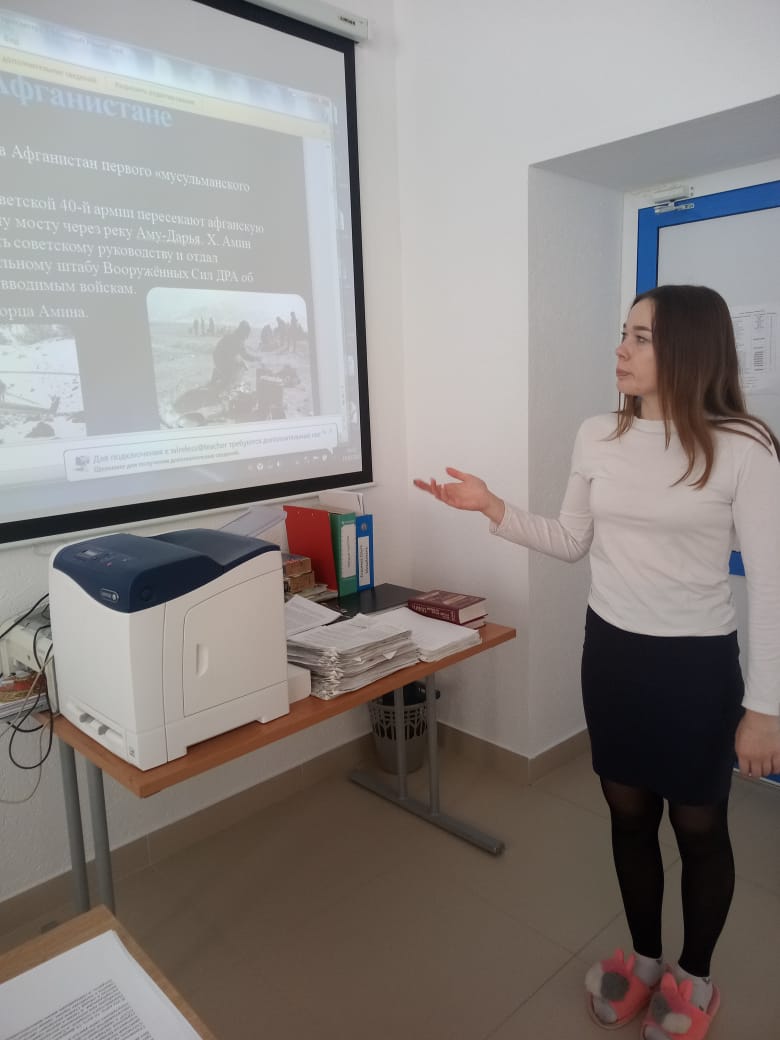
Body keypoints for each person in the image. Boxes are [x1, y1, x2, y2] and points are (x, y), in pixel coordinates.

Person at [414, 284, 780, 1040]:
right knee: (628, 815)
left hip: (696, 669)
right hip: (612, 655)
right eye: (624, 333)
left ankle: (695, 976)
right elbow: (572, 539)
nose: (621, 349)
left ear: (690, 348)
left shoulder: (744, 446)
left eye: (641, 337)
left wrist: (767, 708)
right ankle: (645, 960)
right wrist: (492, 508)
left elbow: (774, 585)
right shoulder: (598, 436)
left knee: (700, 827)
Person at [209, 320, 254, 390]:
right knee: (228, 380)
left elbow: (235, 354)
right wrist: (257, 359)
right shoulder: (238, 339)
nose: (247, 335)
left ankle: (218, 374)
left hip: (219, 357)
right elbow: (245, 355)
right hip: (221, 358)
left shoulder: (234, 336)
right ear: (243, 331)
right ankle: (219, 381)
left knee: (237, 367)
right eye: (247, 333)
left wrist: (242, 362)